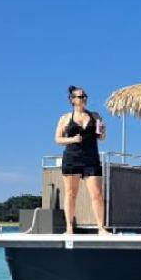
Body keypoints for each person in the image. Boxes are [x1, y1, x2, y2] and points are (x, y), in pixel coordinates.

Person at [55, 85, 110, 235]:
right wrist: (72, 139)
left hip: (91, 158)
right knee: (71, 193)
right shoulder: (65, 118)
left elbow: (101, 138)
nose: (84, 98)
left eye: (85, 96)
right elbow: (58, 139)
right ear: (73, 100)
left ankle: (101, 228)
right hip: (72, 158)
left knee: (97, 194)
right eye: (80, 96)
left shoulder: (95, 116)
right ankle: (69, 227)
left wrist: (103, 131)